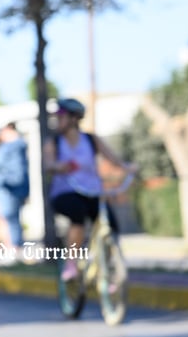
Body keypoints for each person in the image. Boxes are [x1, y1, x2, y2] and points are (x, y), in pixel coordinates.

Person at [42, 98, 136, 281]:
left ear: (74, 118)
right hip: (65, 192)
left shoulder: (91, 140)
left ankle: (109, 269)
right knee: (78, 216)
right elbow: (48, 164)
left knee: (111, 225)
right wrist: (58, 166)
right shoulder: (54, 142)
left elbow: (113, 159)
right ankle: (71, 264)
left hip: (92, 191)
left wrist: (128, 168)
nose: (57, 120)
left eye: (61, 116)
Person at [0, 122, 29, 253]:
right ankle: (14, 248)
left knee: (9, 219)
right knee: (12, 219)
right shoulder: (20, 145)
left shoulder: (11, 147)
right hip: (15, 188)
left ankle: (13, 249)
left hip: (9, 189)